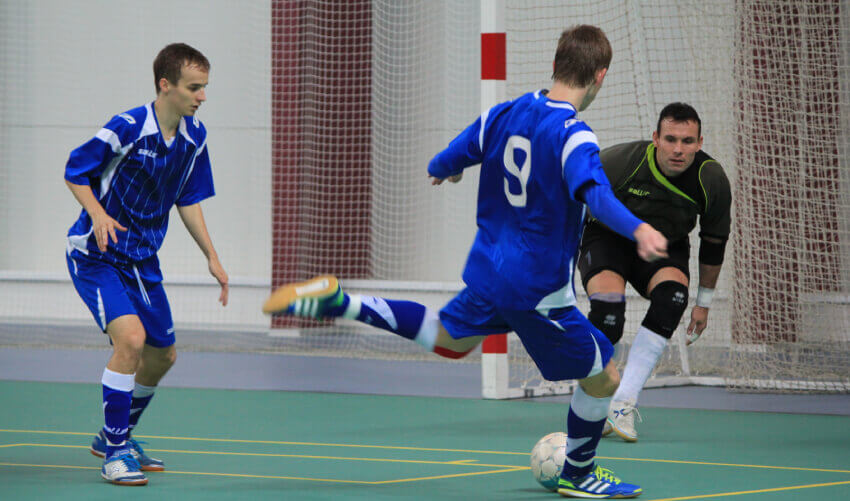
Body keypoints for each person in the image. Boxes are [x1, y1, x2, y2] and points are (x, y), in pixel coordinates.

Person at [264, 26, 667, 498]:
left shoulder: (504, 112)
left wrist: (444, 170)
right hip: (535, 288)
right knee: (604, 375)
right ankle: (578, 474)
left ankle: (342, 302)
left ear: (554, 64)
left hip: (489, 270)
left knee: (449, 339)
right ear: (600, 75)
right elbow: (594, 193)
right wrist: (638, 228)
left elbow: (449, 155)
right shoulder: (573, 133)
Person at [64, 43, 228, 486]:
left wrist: (211, 255)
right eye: (195, 88)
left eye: (205, 88)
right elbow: (75, 170)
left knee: (163, 356)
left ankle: (114, 435)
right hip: (96, 257)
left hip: (141, 260)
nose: (202, 97)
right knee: (131, 342)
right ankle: (115, 454)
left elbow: (188, 199)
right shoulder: (128, 127)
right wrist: (97, 214)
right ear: (165, 85)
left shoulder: (195, 138)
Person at [577, 103, 731, 442]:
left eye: (688, 141)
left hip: (665, 245)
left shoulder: (712, 180)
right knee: (608, 316)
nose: (678, 149)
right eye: (671, 139)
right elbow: (573, 195)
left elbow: (714, 242)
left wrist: (703, 303)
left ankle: (623, 403)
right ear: (655, 139)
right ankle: (593, 403)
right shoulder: (619, 162)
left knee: (673, 298)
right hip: (608, 238)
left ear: (699, 142)